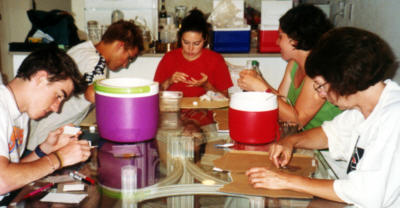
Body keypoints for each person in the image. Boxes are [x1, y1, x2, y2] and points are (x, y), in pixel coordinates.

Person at [246, 27, 400, 207]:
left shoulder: (393, 116)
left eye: (320, 86)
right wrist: (291, 141)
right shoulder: (365, 107)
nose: (321, 95)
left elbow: (366, 193)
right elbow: (329, 134)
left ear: (342, 79)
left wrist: (287, 181)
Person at [27, 20, 144, 151]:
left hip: (36, 134)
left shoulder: (83, 49)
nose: (125, 65)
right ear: (119, 46)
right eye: (128, 57)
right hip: (46, 139)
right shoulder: (97, 62)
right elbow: (92, 94)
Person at [0, 46, 91, 204]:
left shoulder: (21, 116)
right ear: (40, 78)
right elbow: (2, 181)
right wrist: (59, 159)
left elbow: (13, 170)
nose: (57, 109)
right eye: (58, 96)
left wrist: (44, 150)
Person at [238, 4, 341, 130]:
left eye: (280, 36)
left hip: (326, 147)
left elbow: (297, 122)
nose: (277, 42)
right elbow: (282, 104)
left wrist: (261, 88)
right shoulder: (294, 64)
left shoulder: (318, 72)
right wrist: (259, 81)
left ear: (295, 39)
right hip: (303, 140)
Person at [154, 9, 233, 134]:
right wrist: (169, 81)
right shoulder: (169, 58)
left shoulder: (216, 60)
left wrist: (207, 86)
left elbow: (224, 100)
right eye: (186, 43)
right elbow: (154, 95)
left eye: (196, 43)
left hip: (204, 119)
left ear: (205, 40)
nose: (190, 49)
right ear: (180, 39)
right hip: (172, 117)